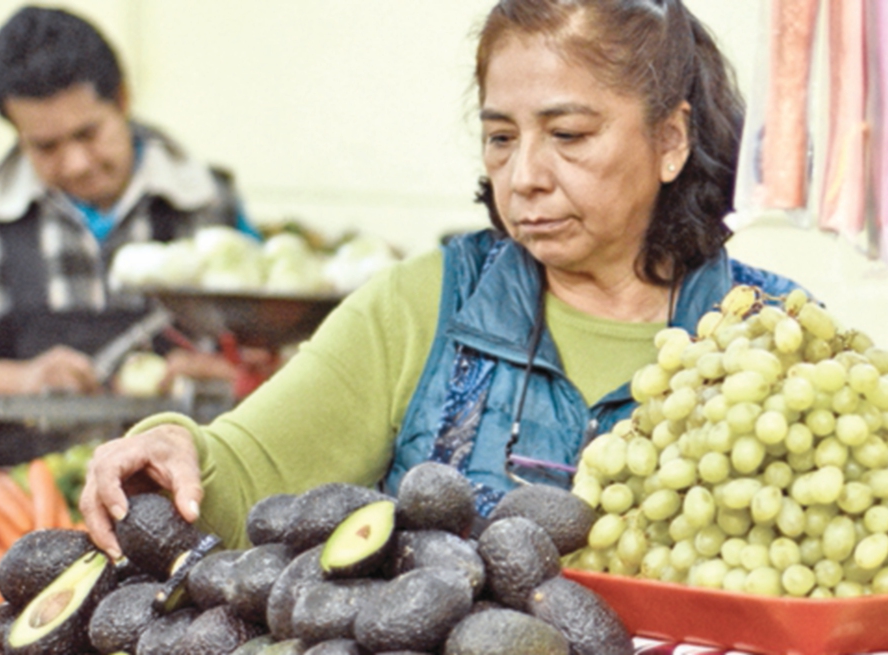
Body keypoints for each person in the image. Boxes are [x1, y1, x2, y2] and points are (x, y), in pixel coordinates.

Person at [80, 0, 806, 558]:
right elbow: (249, 470)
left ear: (671, 138)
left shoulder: (777, 342)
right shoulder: (423, 305)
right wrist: (172, 448)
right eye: (500, 138)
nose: (523, 178)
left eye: (568, 136)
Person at [0, 5, 260, 413]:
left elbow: (279, 366)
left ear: (123, 100)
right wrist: (22, 381)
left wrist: (231, 377)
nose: (76, 163)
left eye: (88, 133)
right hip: (16, 474)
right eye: (46, 146)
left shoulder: (207, 203)